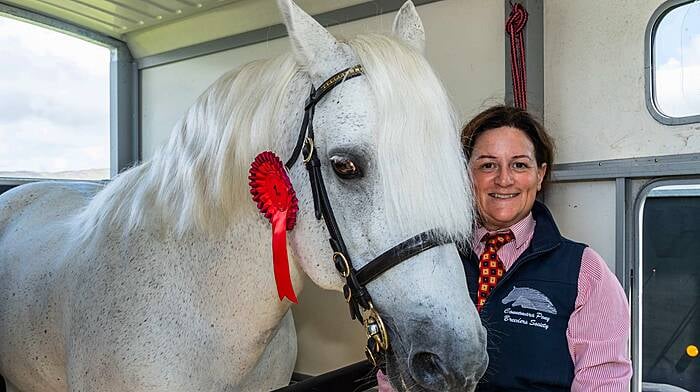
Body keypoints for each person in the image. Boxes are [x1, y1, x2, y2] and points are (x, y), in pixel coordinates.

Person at [377, 105, 632, 391]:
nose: (504, 179)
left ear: (539, 174)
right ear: (465, 175)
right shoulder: (429, 263)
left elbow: (603, 382)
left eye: (519, 165)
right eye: (487, 165)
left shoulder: (585, 271)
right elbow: (396, 373)